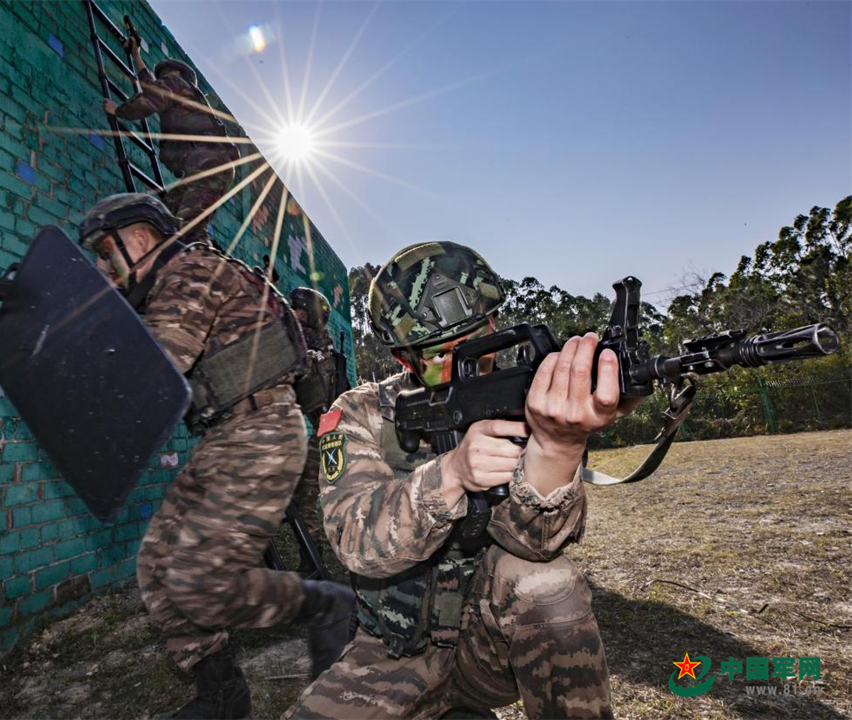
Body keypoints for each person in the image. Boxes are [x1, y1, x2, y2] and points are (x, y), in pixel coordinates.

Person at [286, 241, 636, 719]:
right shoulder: (357, 413)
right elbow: (355, 542)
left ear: (493, 326)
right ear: (402, 355)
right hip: (390, 655)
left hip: (486, 646)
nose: (460, 362)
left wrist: (558, 446)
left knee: (549, 583)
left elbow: (537, 544)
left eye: (474, 340)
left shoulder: (523, 398)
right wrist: (450, 474)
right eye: (437, 353)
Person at [80, 193, 354, 720]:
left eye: (104, 252)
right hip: (227, 435)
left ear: (138, 240)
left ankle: (326, 604)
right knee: (158, 568)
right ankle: (222, 695)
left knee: (198, 582)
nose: (99, 266)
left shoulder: (189, 273)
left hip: (263, 433)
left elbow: (152, 376)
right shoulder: (177, 279)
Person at [103, 38, 239, 245]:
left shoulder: (175, 84)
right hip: (205, 165)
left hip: (209, 162)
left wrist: (118, 110)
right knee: (168, 213)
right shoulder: (177, 91)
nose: (163, 79)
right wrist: (136, 55)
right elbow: (151, 88)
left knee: (190, 227)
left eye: (165, 76)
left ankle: (203, 271)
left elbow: (148, 100)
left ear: (176, 75)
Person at [289, 287, 348, 572]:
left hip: (324, 432)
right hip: (329, 430)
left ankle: (312, 564)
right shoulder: (323, 349)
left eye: (298, 310)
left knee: (305, 501)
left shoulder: (305, 348)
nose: (293, 315)